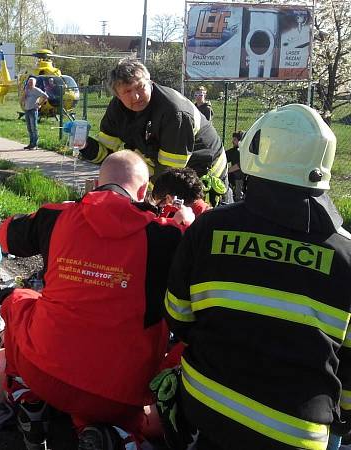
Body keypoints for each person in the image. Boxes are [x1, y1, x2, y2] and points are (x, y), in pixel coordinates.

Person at [164, 104, 351, 450]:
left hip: (205, 404)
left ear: (257, 152)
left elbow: (178, 314)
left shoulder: (210, 227)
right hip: (296, 433)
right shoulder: (345, 255)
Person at [0, 151, 190, 449]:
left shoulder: (57, 215)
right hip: (121, 394)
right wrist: (188, 223)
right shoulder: (167, 237)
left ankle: (27, 397)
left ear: (96, 183)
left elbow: (5, 235)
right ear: (142, 192)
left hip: (44, 374)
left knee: (18, 298)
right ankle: (113, 435)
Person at [80, 58, 231, 206]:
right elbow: (109, 156)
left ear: (150, 81)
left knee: (190, 224)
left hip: (202, 174)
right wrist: (84, 145)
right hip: (168, 173)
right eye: (127, 91)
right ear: (118, 95)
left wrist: (142, 200)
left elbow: (169, 173)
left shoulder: (174, 112)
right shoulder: (116, 110)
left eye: (140, 87)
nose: (136, 96)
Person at [20, 77, 48, 150]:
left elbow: (45, 96)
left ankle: (35, 144)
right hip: (27, 110)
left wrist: (40, 104)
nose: (29, 83)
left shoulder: (36, 90)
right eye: (29, 82)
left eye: (31, 82)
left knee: (33, 128)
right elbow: (23, 98)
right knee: (29, 128)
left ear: (34, 83)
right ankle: (31, 143)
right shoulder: (27, 90)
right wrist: (24, 95)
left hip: (33, 110)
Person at [226, 130, 246, 200]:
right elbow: (225, 155)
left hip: (241, 178)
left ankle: (239, 195)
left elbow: (239, 165)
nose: (232, 141)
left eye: (235, 140)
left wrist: (227, 171)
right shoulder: (234, 151)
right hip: (235, 177)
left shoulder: (240, 151)